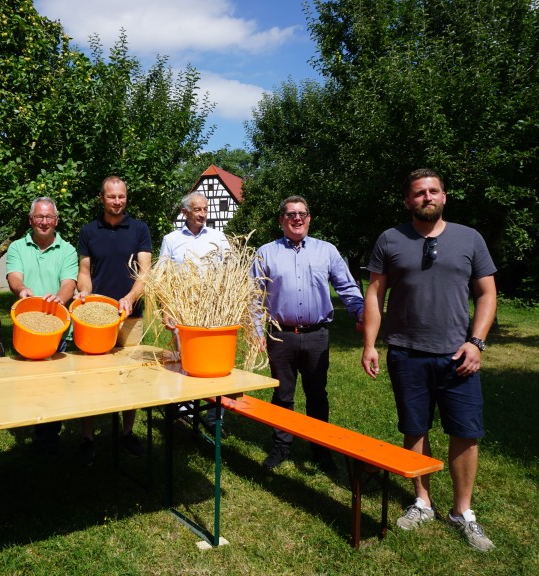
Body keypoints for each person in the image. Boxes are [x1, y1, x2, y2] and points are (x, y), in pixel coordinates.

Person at [361, 168, 497, 552]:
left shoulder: (470, 239)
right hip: (406, 353)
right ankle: (422, 500)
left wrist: (476, 343)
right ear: (408, 200)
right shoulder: (390, 239)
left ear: (444, 197)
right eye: (419, 193)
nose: (426, 197)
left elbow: (487, 294)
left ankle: (462, 512)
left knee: (466, 433)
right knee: (415, 428)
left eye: (433, 191)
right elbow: (374, 293)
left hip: (459, 356)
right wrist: (370, 343)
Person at [252, 196, 364, 474]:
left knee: (317, 393)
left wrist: (362, 313)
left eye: (302, 213)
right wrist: (256, 332)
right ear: (281, 220)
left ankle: (320, 448)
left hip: (317, 335)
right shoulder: (266, 252)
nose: (297, 218)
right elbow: (254, 296)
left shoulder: (326, 251)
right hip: (280, 335)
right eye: (291, 214)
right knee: (282, 394)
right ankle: (281, 446)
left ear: (309, 218)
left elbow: (346, 287)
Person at [76, 175, 152, 465]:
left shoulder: (140, 229)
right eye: (111, 197)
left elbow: (145, 271)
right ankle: (87, 438)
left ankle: (127, 433)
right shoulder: (88, 231)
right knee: (90, 377)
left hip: (130, 314)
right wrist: (85, 292)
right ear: (102, 198)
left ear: (126, 198)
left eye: (121, 197)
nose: (117, 201)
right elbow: (85, 270)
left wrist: (131, 298)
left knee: (130, 375)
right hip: (96, 315)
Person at [6, 197, 78, 453]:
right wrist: (21, 288)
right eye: (39, 217)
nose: (44, 222)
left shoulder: (67, 249)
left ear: (56, 221)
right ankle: (35, 425)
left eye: (49, 217)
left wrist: (61, 297)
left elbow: (69, 282)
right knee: (29, 383)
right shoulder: (17, 247)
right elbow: (14, 276)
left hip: (58, 327)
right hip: (27, 327)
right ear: (31, 220)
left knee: (56, 384)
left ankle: (49, 436)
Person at [160, 191, 231, 436]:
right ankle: (186, 413)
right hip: (183, 311)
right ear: (185, 213)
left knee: (216, 365)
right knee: (186, 362)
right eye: (197, 210)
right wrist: (166, 309)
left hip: (214, 311)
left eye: (205, 209)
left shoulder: (218, 238)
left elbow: (230, 272)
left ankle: (214, 417)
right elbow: (163, 276)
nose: (203, 214)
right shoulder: (171, 239)